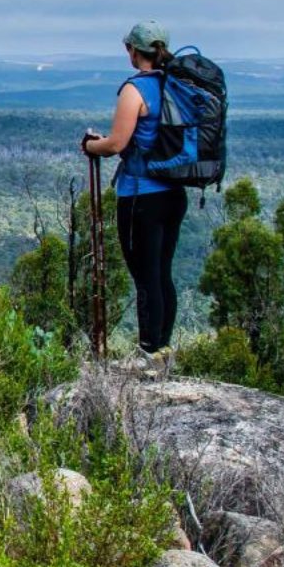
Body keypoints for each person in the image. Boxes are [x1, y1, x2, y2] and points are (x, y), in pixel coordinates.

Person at [80, 20, 188, 354]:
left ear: (133, 50)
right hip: (174, 193)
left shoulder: (135, 90)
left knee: (145, 278)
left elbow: (116, 144)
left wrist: (90, 145)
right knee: (162, 273)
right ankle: (163, 347)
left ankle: (148, 350)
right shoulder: (176, 85)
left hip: (141, 196)